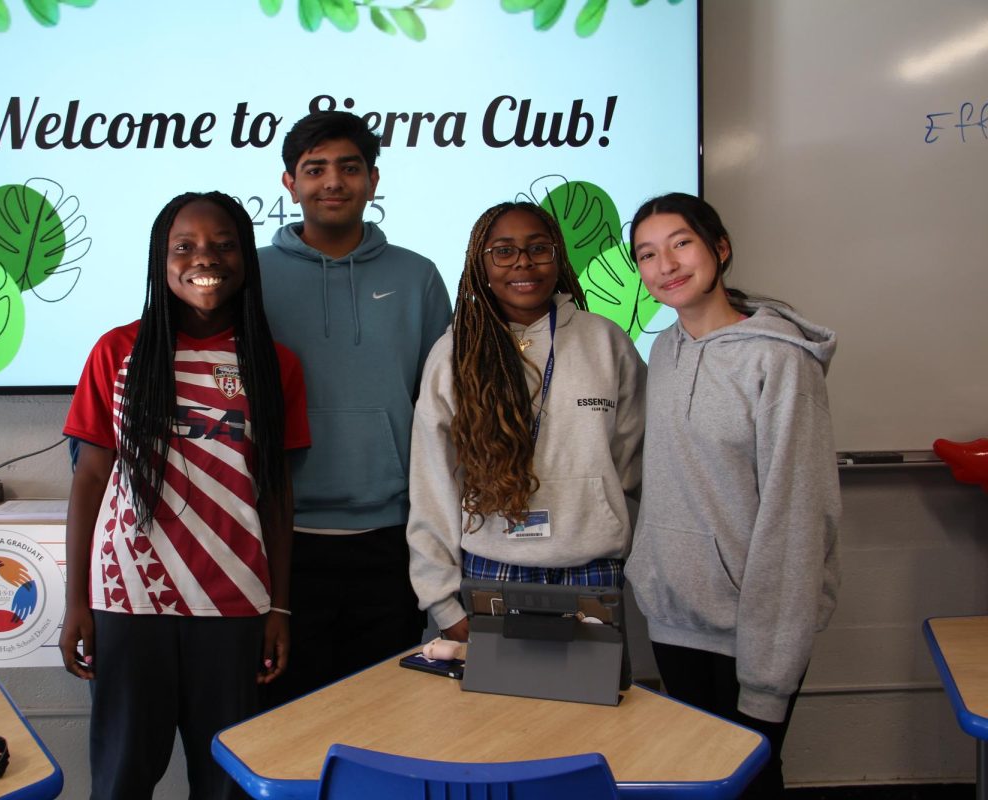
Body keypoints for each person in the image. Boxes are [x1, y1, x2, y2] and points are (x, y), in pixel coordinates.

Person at [59, 191, 310, 799]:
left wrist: (278, 607)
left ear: (245, 257)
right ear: (160, 258)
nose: (206, 257)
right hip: (127, 601)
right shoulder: (118, 351)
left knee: (226, 782)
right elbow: (90, 480)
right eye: (185, 246)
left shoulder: (274, 364)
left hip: (233, 604)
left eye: (224, 244)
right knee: (122, 777)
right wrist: (77, 604)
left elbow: (275, 496)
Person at [623, 192, 840, 798]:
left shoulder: (779, 363)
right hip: (674, 619)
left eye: (681, 244)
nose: (664, 264)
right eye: (647, 253)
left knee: (749, 782)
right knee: (694, 776)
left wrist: (769, 672)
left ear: (719, 248)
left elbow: (797, 520)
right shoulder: (665, 349)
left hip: (750, 629)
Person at [259, 110, 452, 705]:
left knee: (383, 716)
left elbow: (442, 408)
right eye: (314, 169)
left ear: (372, 178)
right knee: (283, 721)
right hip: (280, 539)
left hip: (390, 536)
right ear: (289, 183)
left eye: (348, 167)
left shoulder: (417, 276)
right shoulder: (252, 275)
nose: (332, 182)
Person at [407, 201, 645, 642]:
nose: (523, 262)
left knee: (591, 708)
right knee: (497, 710)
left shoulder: (605, 341)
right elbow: (433, 483)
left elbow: (640, 467)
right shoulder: (455, 352)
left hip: (591, 570)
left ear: (558, 256)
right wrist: (440, 599)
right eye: (503, 250)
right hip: (492, 570)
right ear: (480, 262)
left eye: (538, 248)